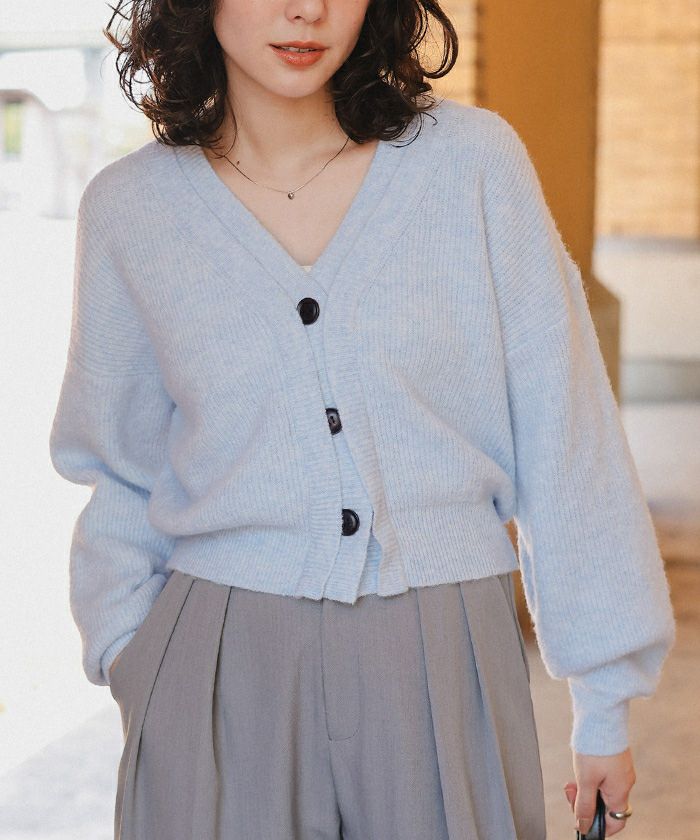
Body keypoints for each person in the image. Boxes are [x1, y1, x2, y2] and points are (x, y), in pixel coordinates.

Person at [48, 0, 676, 837]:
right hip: (221, 658)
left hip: (441, 647)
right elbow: (121, 468)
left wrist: (603, 699)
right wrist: (133, 659)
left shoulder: (471, 166)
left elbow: (567, 433)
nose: (306, 9)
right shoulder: (131, 210)